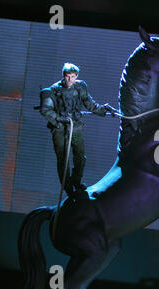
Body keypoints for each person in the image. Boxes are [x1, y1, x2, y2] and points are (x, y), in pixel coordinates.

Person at [39, 63, 117, 197]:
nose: (70, 80)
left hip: (75, 127)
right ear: (63, 76)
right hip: (60, 129)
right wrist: (59, 119)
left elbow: (90, 104)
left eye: (73, 77)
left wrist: (104, 109)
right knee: (63, 160)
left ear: (77, 76)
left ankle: (76, 181)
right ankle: (68, 188)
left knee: (80, 158)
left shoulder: (80, 87)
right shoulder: (53, 91)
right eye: (68, 77)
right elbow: (46, 110)